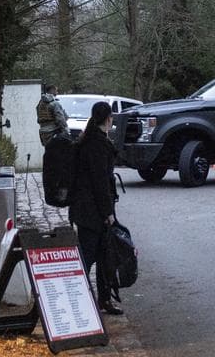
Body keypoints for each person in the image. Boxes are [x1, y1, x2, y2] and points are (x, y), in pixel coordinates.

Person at [69, 101, 124, 315]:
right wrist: (107, 213)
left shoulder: (87, 140)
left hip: (84, 209)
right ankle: (79, 297)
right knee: (90, 255)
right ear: (108, 119)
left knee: (103, 254)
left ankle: (102, 299)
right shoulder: (98, 144)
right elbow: (100, 182)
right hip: (92, 211)